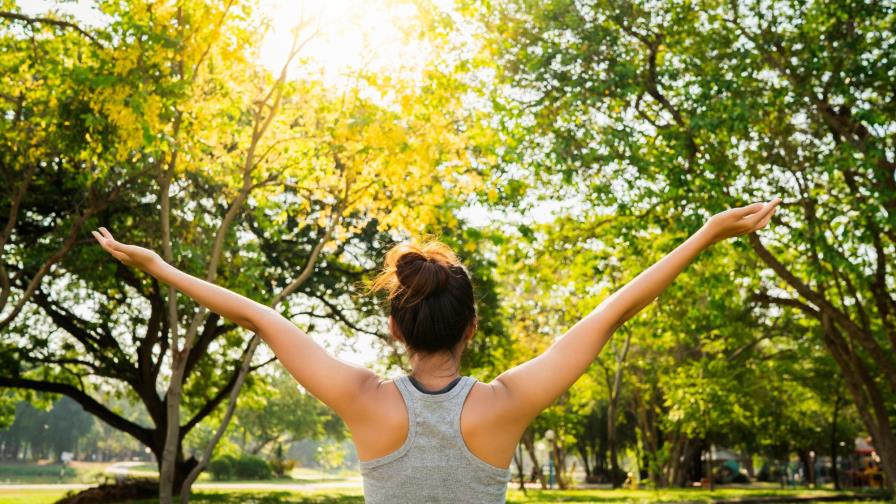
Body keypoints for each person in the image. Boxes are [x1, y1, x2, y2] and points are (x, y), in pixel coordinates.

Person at [92, 197, 780, 503]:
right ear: (471, 328)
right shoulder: (505, 406)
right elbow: (614, 309)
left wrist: (161, 267)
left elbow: (259, 316)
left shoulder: (364, 404)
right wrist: (704, 235)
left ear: (396, 328)